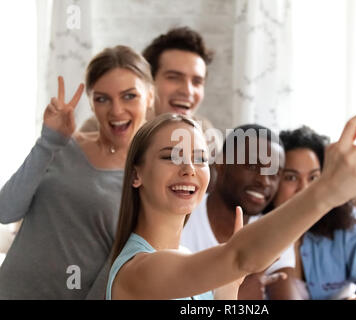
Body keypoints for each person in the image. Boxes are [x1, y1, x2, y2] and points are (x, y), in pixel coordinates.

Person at [106, 112, 356, 300]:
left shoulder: (182, 255)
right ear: (136, 174)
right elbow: (239, 257)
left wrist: (228, 291)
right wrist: (327, 190)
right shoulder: (138, 269)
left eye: (199, 158)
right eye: (172, 156)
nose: (189, 169)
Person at [0, 45, 154, 299]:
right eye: (102, 99)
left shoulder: (149, 179)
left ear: (149, 96)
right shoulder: (62, 146)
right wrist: (48, 142)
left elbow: (117, 270)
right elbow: (6, 211)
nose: (116, 111)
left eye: (129, 96)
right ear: (92, 105)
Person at [269, 126, 356, 300]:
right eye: (291, 177)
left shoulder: (346, 223)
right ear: (274, 181)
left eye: (314, 178)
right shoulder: (256, 228)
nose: (304, 189)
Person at [180, 124, 300, 300]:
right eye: (252, 166)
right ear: (221, 163)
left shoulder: (273, 231)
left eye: (274, 172)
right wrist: (241, 290)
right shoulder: (182, 217)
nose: (264, 181)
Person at [80, 26, 215, 134]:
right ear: (149, 83)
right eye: (174, 78)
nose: (187, 91)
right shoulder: (100, 129)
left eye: (197, 81)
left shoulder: (206, 133)